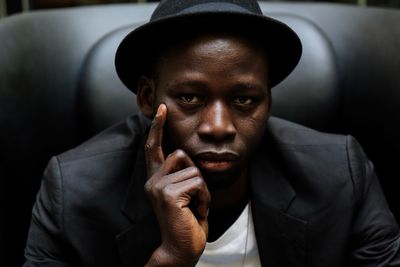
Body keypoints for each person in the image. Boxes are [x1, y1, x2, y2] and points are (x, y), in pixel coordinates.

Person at [23, 0, 400, 266]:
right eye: (189, 97)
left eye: (243, 99)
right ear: (147, 97)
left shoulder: (341, 173)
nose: (218, 127)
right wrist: (169, 260)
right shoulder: (72, 193)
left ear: (268, 99)